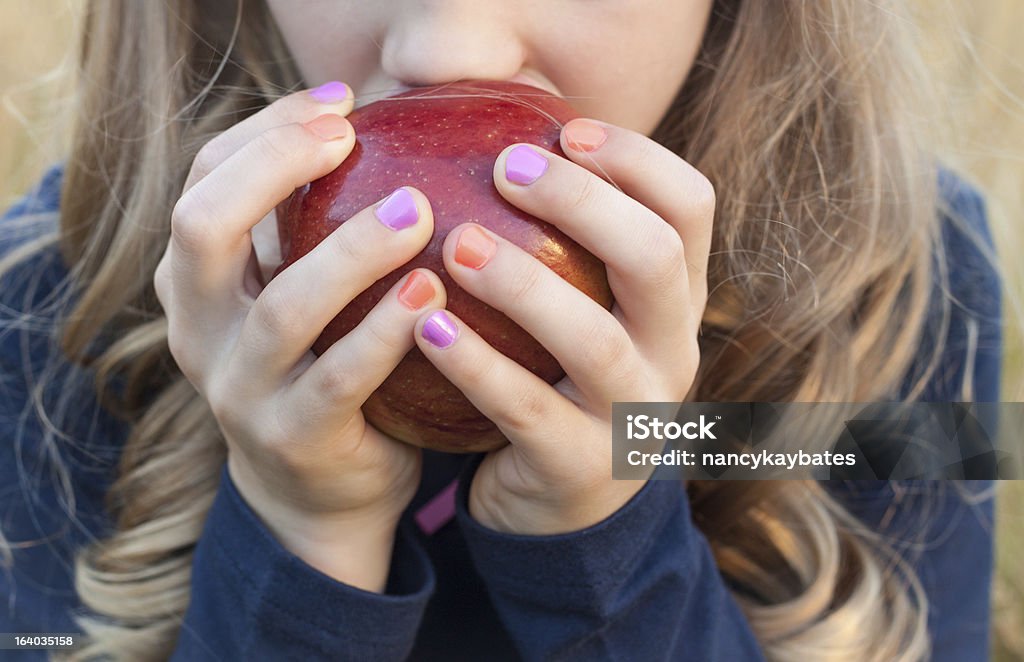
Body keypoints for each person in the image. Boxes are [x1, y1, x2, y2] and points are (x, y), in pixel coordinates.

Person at [0, 1, 1003, 660]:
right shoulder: (52, 305)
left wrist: (606, 517)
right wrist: (299, 528)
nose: (447, 49)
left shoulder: (909, 283)